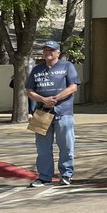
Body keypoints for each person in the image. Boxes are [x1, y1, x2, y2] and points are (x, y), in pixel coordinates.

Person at [25, 40, 78, 188]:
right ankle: (44, 177)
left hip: (63, 112)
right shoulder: (36, 70)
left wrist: (56, 99)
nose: (48, 53)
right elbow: (29, 91)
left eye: (51, 50)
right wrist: (43, 99)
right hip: (41, 113)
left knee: (66, 146)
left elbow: (73, 87)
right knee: (42, 148)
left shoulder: (67, 66)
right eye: (46, 50)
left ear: (58, 53)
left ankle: (66, 175)